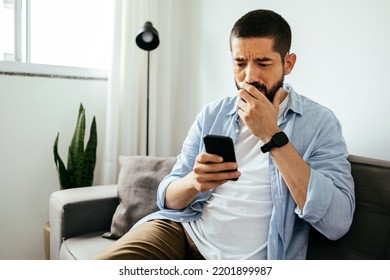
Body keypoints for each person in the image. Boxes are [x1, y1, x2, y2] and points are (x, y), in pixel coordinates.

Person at [95, 9, 355, 260]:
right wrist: (194, 182)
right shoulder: (213, 114)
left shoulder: (321, 123)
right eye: (240, 63)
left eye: (263, 63)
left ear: (288, 63)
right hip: (182, 229)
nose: (249, 76)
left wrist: (272, 135)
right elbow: (166, 198)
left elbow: (337, 222)